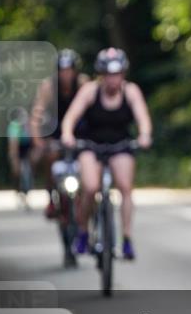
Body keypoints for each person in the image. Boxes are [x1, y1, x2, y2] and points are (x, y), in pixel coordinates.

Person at [60, 48, 152, 260]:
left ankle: (126, 239)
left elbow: (143, 118)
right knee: (90, 187)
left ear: (123, 74)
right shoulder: (90, 91)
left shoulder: (131, 91)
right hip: (91, 145)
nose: (113, 79)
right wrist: (67, 134)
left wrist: (145, 135)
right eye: (108, 75)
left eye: (117, 74)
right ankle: (83, 232)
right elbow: (71, 117)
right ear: (101, 75)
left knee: (125, 188)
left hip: (121, 145)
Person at [31, 49, 89, 219]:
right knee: (49, 157)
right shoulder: (48, 86)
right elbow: (36, 115)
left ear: (75, 71)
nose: (66, 74)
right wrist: (38, 141)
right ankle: (52, 197)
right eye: (62, 71)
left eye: (69, 70)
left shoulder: (83, 83)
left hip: (80, 130)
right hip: (55, 129)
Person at [6, 108, 35, 202]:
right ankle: (18, 189)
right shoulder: (14, 126)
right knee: (16, 171)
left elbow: (34, 142)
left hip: (26, 149)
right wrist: (14, 158)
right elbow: (13, 144)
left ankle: (27, 190)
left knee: (28, 171)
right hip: (17, 149)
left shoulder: (30, 125)